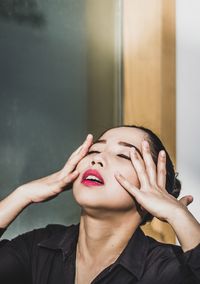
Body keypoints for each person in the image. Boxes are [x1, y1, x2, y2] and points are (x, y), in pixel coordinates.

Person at [0, 125, 199, 284]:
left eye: (123, 155)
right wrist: (22, 194)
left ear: (154, 188)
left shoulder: (166, 268)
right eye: (94, 150)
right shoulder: (40, 247)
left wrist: (177, 214)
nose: (97, 159)